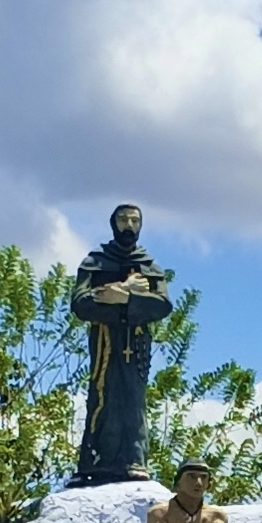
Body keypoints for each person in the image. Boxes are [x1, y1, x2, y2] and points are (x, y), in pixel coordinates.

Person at [69, 202, 174, 487]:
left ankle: (134, 459)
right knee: (103, 396)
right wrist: (115, 297)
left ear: (141, 226)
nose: (129, 225)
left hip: (137, 343)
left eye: (134, 220)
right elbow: (80, 304)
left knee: (134, 400)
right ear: (113, 223)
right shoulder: (96, 261)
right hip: (105, 341)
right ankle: (97, 462)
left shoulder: (149, 267)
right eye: (123, 220)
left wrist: (125, 299)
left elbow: (163, 306)